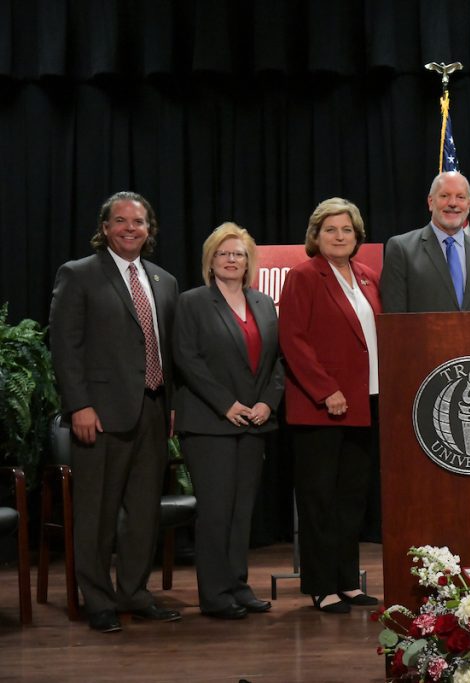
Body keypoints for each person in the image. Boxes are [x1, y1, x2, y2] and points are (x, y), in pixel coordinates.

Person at [49, 191, 181, 633]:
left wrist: (172, 406)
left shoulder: (164, 280)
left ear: (149, 229)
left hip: (153, 409)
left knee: (143, 513)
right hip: (101, 413)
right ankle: (99, 601)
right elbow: (65, 346)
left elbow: (169, 350)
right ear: (105, 228)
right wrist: (79, 405)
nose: (130, 228)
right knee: (97, 513)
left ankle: (134, 594)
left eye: (138, 222)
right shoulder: (79, 274)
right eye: (120, 221)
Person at [172, 223, 284, 620]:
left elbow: (278, 361)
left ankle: (238, 585)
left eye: (238, 254)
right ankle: (215, 594)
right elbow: (187, 359)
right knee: (216, 512)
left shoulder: (264, 303)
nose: (231, 259)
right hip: (209, 423)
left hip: (254, 423)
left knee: (241, 512)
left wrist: (268, 402)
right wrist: (226, 404)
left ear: (249, 261)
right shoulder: (192, 302)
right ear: (211, 261)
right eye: (223, 253)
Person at [278, 197, 380, 614]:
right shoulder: (303, 276)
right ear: (315, 236)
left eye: (347, 230)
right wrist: (325, 390)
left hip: (365, 403)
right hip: (321, 408)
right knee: (319, 499)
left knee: (351, 499)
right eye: (331, 230)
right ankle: (322, 586)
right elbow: (293, 340)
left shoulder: (368, 276)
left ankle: (347, 581)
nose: (339, 237)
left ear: (357, 236)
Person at [380, 171, 470, 312]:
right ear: (431, 202)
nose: (452, 203)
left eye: (460, 197)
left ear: (469, 204)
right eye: (444, 196)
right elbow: (394, 317)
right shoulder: (402, 249)